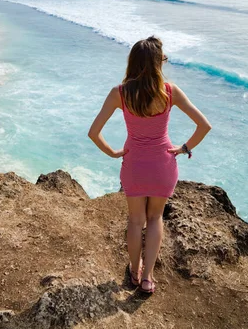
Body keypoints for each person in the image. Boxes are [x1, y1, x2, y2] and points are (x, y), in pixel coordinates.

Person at [88, 36, 211, 294]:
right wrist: (184, 148)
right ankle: (147, 278)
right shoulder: (170, 92)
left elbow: (94, 132)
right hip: (163, 165)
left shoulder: (119, 94)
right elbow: (204, 126)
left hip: (133, 165)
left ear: (132, 62)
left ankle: (134, 272)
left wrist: (114, 153)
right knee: (155, 219)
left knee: (135, 221)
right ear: (158, 63)